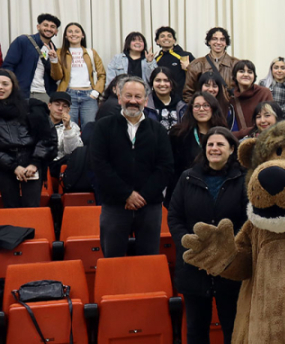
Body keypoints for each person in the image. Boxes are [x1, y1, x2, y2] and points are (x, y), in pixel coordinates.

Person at [167, 126, 247, 344]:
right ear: (206, 148)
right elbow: (175, 217)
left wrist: (228, 249)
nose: (215, 148)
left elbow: (249, 219)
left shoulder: (242, 178)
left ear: (231, 148)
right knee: (196, 329)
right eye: (211, 144)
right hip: (194, 266)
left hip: (229, 266)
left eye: (221, 144)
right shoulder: (188, 178)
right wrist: (189, 246)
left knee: (232, 327)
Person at [90, 76, 174, 257]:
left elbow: (165, 167)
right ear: (119, 98)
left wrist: (143, 195)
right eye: (128, 96)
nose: (133, 101)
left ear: (145, 100)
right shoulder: (103, 127)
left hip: (149, 206)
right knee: (113, 260)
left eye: (138, 96)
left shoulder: (158, 130)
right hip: (115, 206)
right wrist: (127, 194)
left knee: (148, 260)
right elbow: (99, 164)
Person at [0, 69, 57, 206]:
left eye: (5, 84)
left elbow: (47, 138)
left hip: (32, 162)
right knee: (11, 208)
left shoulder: (32, 106)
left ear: (13, 86)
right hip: (4, 165)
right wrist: (14, 167)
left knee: (32, 208)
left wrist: (34, 163)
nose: (1, 88)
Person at [167, 91, 229, 206]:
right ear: (191, 109)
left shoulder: (224, 135)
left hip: (216, 194)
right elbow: (172, 169)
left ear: (213, 108)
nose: (201, 109)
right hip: (186, 194)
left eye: (206, 105)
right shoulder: (178, 135)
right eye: (196, 106)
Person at [2, 13, 63, 102]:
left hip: (45, 94)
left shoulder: (55, 51)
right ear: (38, 27)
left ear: (56, 31)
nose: (49, 29)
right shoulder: (23, 41)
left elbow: (56, 77)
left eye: (52, 26)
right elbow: (8, 67)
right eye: (45, 25)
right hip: (22, 93)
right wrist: (11, 88)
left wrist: (54, 60)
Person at [56, 22, 105, 126]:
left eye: (77, 31)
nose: (73, 34)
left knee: (90, 128)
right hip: (68, 95)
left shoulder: (91, 52)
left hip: (89, 95)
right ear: (65, 35)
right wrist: (53, 61)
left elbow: (102, 74)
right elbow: (57, 76)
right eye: (70, 31)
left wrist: (96, 91)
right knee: (69, 127)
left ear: (82, 35)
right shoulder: (59, 52)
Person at [182, 27, 237, 101]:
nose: (218, 42)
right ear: (209, 42)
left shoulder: (236, 64)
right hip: (205, 109)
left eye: (222, 39)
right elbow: (188, 94)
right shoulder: (196, 65)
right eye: (214, 39)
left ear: (226, 43)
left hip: (229, 109)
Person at [230, 60, 273, 139]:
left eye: (250, 72)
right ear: (235, 76)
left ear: (254, 76)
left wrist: (240, 133)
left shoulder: (264, 93)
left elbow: (268, 121)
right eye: (241, 71)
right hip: (238, 143)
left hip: (261, 139)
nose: (246, 74)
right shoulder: (231, 98)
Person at [47, 91, 83, 178]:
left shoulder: (73, 126)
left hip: (60, 165)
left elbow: (75, 153)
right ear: (49, 106)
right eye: (57, 104)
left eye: (64, 106)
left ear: (68, 110)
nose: (60, 108)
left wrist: (67, 128)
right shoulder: (40, 122)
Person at [153, 26, 194, 99]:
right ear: (157, 41)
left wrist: (189, 68)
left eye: (169, 36)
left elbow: (199, 75)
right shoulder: (156, 60)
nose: (166, 38)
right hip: (163, 99)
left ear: (174, 40)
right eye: (162, 36)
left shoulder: (185, 55)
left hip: (184, 99)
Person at [145, 67, 184, 131]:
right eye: (158, 80)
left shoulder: (182, 106)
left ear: (172, 83)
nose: (162, 84)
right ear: (152, 83)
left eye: (166, 80)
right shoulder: (145, 106)